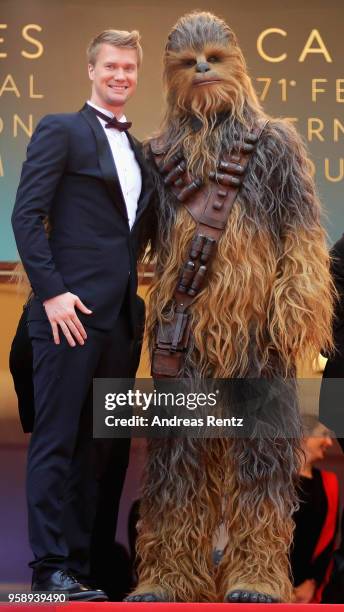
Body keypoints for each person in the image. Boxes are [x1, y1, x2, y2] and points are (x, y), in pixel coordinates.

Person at [124, 11, 333, 604]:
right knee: (175, 463)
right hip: (182, 334)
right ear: (169, 76)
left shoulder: (273, 143)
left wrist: (297, 308)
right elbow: (125, 241)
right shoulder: (158, 154)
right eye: (188, 63)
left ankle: (259, 571)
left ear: (239, 63)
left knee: (263, 465)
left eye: (214, 57)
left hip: (258, 333)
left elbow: (302, 234)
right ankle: (169, 573)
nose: (203, 69)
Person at [11, 29, 155, 600]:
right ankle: (50, 568)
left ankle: (83, 566)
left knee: (103, 451)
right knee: (59, 440)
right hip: (66, 315)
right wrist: (51, 294)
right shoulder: (62, 130)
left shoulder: (140, 150)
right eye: (112, 66)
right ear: (91, 70)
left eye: (129, 69)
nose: (121, 76)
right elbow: (26, 216)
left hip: (119, 322)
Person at [291, 415, 339, 603]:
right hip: (268, 580)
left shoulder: (329, 482)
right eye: (324, 434)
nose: (329, 442)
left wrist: (313, 582)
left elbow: (329, 539)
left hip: (306, 589)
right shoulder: (274, 478)